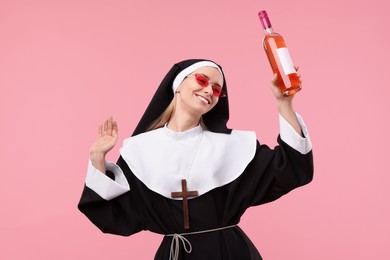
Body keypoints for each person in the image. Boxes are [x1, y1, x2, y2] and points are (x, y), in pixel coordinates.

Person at [78, 59, 313, 260]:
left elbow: (291, 168)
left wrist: (284, 103)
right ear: (178, 85)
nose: (210, 90)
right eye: (202, 80)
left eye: (217, 89)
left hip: (229, 253)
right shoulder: (141, 150)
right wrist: (97, 157)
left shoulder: (232, 146)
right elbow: (114, 216)